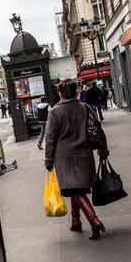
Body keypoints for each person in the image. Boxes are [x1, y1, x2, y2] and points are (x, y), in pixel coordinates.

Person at [44, 78, 109, 240]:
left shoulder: (54, 112)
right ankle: (76, 221)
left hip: (65, 159)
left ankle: (94, 221)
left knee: (76, 190)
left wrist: (48, 160)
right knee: (75, 188)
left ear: (60, 93)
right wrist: (103, 150)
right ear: (75, 92)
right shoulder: (84, 107)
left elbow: (50, 138)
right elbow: (97, 129)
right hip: (84, 154)